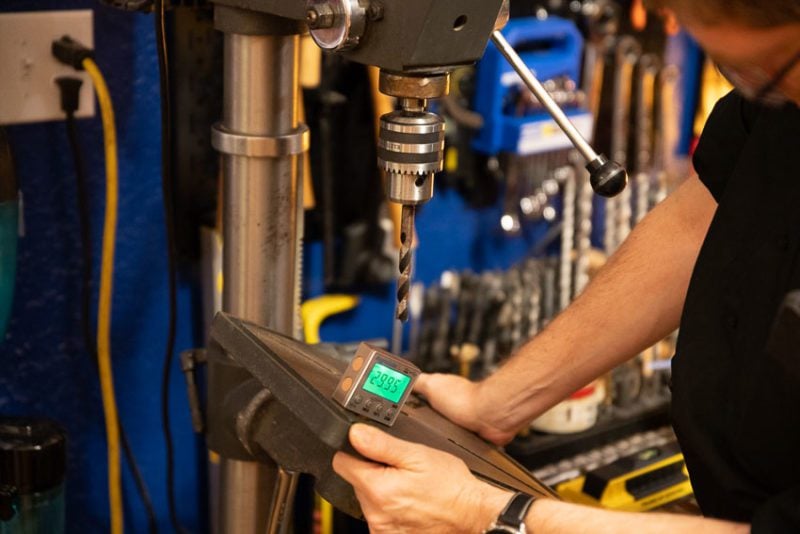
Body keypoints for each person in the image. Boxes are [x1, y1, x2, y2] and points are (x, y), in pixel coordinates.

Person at [332, 1, 800, 532]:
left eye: (754, 71)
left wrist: (487, 514)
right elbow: (705, 217)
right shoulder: (781, 99)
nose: (746, 87)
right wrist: (498, 403)